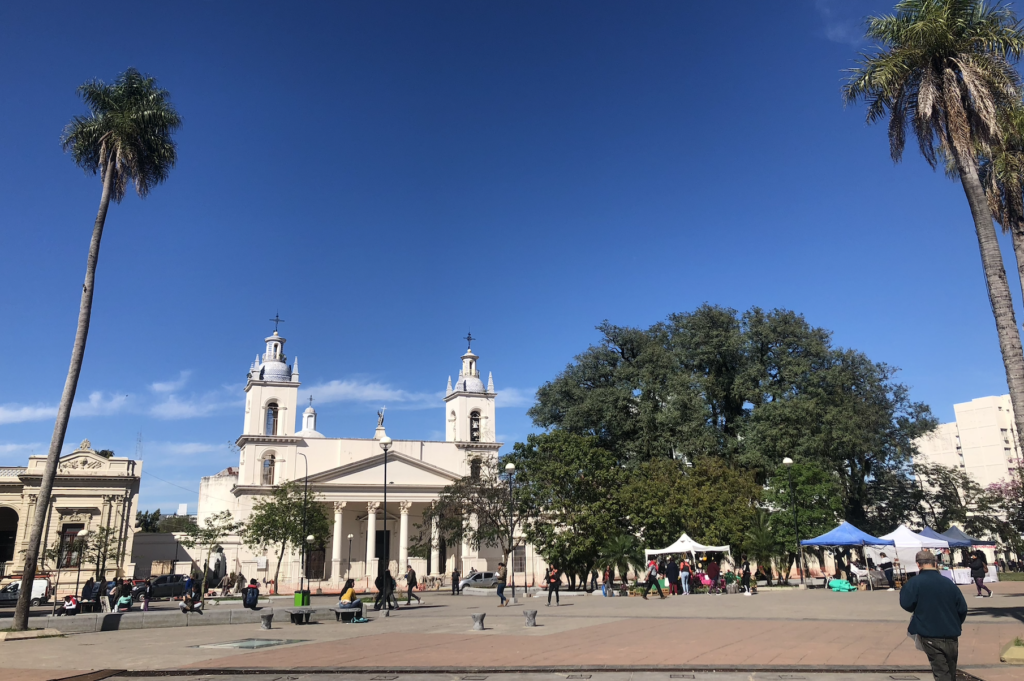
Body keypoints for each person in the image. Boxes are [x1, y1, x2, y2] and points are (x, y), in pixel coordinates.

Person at [900, 550, 967, 681]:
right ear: (935, 563)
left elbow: (906, 603)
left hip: (930, 633)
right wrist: (955, 622)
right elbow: (962, 608)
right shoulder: (949, 583)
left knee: (941, 672)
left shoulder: (914, 583)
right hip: (951, 634)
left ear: (918, 564)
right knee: (950, 670)